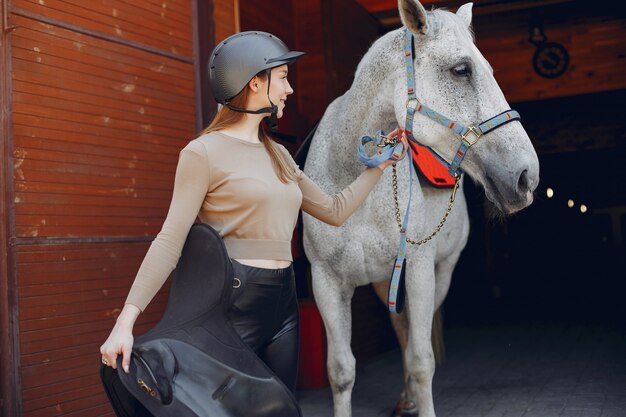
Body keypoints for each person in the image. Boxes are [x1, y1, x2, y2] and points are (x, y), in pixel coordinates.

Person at [100, 31, 408, 394]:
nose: (289, 89)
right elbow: (170, 240)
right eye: (282, 78)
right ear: (254, 82)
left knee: (279, 405)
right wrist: (126, 320)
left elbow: (334, 210)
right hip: (234, 302)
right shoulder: (202, 153)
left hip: (283, 302)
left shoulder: (277, 154)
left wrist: (380, 166)